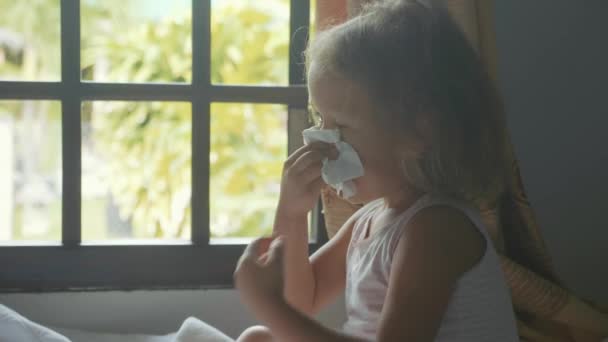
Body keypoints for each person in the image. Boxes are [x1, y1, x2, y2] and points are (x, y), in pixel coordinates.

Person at [233, 0, 519, 341]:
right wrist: (292, 214)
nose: (322, 141)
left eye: (340, 125)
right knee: (258, 338)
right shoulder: (370, 221)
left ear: (417, 134)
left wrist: (269, 305)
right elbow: (302, 300)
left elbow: (288, 312)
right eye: (320, 120)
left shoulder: (437, 228)